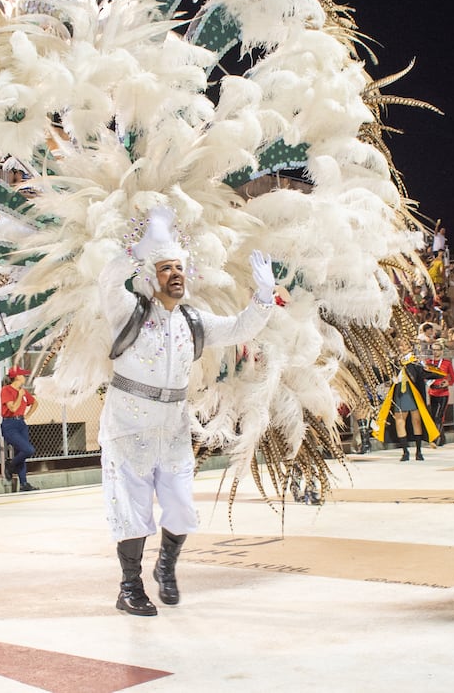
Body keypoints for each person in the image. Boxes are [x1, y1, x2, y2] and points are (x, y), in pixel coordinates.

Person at [98, 207, 274, 616]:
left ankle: (165, 566)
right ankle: (129, 588)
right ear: (149, 277)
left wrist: (264, 297)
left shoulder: (192, 320)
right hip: (128, 426)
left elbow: (239, 328)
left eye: (179, 267)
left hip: (174, 427)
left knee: (180, 506)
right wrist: (138, 251)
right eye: (165, 268)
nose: (175, 273)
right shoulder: (128, 311)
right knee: (132, 509)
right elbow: (108, 279)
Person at [373, 337, 444, 461]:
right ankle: (405, 451)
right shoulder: (394, 363)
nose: (402, 347)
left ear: (410, 347)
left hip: (413, 394)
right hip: (399, 393)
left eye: (405, 345)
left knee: (416, 421)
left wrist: (435, 372)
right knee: (399, 421)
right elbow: (384, 375)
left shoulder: (415, 362)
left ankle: (418, 451)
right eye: (400, 345)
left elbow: (426, 373)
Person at [0, 365, 39, 491]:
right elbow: (12, 408)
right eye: (22, 375)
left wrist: (27, 415)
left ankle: (23, 483)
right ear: (16, 377)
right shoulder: (6, 390)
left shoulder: (22, 391)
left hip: (21, 423)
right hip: (10, 424)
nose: (25, 377)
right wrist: (19, 396)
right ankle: (10, 465)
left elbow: (35, 403)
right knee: (28, 450)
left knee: (21, 452)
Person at [425, 341, 454, 447]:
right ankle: (442, 438)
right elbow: (424, 376)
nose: (435, 352)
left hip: (443, 393)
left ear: (441, 351)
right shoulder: (428, 362)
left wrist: (448, 382)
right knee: (434, 415)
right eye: (433, 350)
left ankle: (435, 439)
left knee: (439, 416)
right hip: (432, 392)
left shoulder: (447, 363)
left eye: (437, 350)